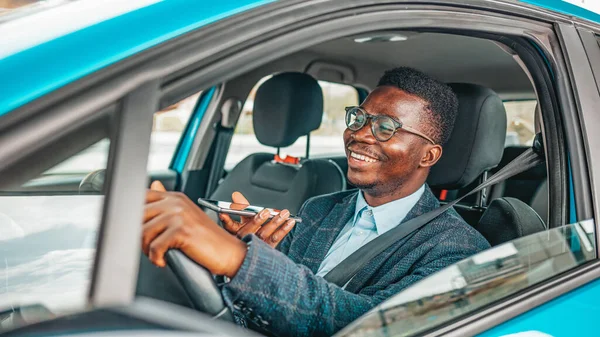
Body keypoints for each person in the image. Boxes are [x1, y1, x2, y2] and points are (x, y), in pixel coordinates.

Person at [142, 67, 490, 337]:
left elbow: (366, 325)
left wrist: (239, 260)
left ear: (428, 155)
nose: (360, 134)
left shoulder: (460, 251)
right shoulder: (319, 208)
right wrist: (260, 252)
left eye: (386, 127)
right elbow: (281, 310)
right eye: (359, 117)